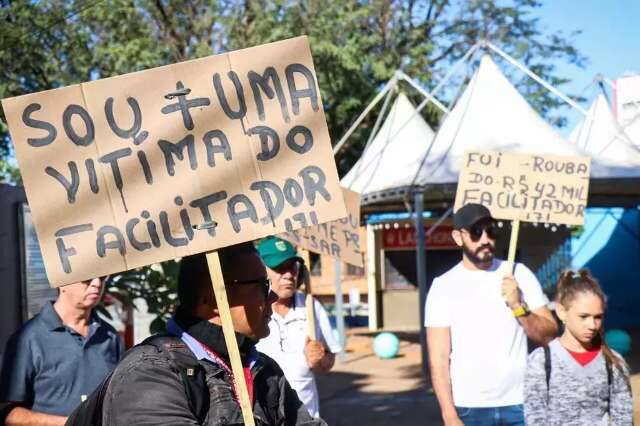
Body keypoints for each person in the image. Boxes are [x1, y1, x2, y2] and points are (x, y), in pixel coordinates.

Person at [100, 242, 326, 425]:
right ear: (216, 298)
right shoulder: (150, 373)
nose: (273, 298)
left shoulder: (264, 369)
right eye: (261, 286)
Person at [425, 203, 558, 426]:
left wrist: (519, 307)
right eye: (476, 232)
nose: (485, 239)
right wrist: (449, 415)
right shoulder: (443, 286)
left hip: (521, 403)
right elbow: (438, 360)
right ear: (458, 237)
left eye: (490, 231)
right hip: (468, 408)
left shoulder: (518, 274)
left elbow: (549, 335)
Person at [0, 276, 122, 426]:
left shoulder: (110, 336)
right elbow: (7, 413)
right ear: (62, 282)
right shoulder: (28, 339)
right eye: (87, 278)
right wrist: (70, 423)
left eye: (102, 278)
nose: (97, 284)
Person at [524, 270, 633, 425]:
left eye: (598, 317)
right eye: (583, 316)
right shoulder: (540, 360)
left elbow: (623, 419)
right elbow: (535, 418)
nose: (592, 325)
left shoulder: (613, 362)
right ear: (562, 312)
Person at [255, 237, 341, 418]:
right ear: (261, 270)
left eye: (292, 267)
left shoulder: (311, 307)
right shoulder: (250, 309)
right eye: (279, 268)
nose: (288, 275)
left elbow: (329, 360)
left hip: (307, 417)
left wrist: (319, 360)